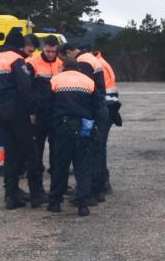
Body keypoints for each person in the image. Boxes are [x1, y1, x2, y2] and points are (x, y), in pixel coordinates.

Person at [0, 31, 45, 209]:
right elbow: (24, 88)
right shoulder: (15, 59)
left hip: (0, 111)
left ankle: (11, 195)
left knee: (10, 153)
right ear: (19, 45)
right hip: (17, 109)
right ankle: (37, 194)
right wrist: (32, 110)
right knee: (29, 152)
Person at [47, 58, 100, 217]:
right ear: (78, 69)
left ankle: (55, 202)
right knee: (82, 166)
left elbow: (47, 105)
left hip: (62, 127)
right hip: (83, 127)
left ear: (63, 67)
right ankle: (83, 204)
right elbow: (97, 106)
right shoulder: (88, 81)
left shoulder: (55, 80)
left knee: (60, 166)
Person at [75, 46, 108, 203]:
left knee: (89, 151)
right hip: (101, 108)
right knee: (99, 149)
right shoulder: (94, 60)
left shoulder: (82, 62)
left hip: (92, 112)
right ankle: (100, 187)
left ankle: (92, 190)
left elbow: (86, 88)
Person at [27, 36, 62, 173]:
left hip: (56, 111)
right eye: (48, 51)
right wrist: (32, 111)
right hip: (39, 112)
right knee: (38, 143)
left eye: (53, 51)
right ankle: (36, 168)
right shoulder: (32, 63)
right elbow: (27, 89)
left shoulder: (61, 63)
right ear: (43, 48)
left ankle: (55, 168)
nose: (51, 54)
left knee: (56, 143)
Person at [93, 50, 120, 196]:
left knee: (98, 146)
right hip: (110, 107)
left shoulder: (96, 64)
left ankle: (101, 182)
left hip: (105, 108)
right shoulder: (102, 62)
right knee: (100, 146)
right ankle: (103, 181)